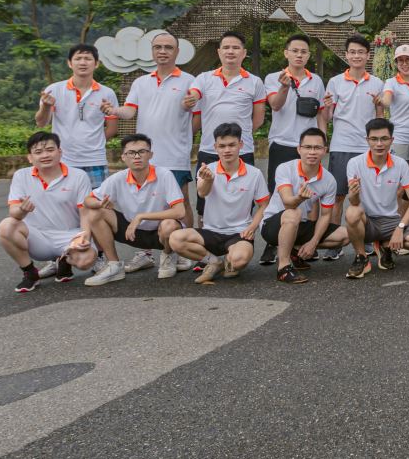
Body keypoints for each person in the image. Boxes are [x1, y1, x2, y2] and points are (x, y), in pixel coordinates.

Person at [114, 32, 197, 234]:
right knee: (147, 203)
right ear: (152, 51)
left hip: (175, 156)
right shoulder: (141, 82)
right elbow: (129, 111)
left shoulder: (189, 81)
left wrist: (184, 135)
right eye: (158, 47)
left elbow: (197, 115)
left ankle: (186, 242)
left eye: (168, 47)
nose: (162, 51)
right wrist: (114, 110)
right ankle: (148, 248)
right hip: (145, 156)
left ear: (177, 52)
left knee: (182, 201)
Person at [168, 122, 270, 285]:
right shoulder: (207, 170)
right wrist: (208, 180)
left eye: (232, 145)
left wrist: (251, 228)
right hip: (211, 231)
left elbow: (264, 205)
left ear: (240, 145)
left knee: (239, 260)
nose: (227, 150)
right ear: (215, 147)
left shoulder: (254, 174)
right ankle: (214, 262)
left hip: (239, 233)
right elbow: (202, 193)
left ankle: (230, 260)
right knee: (175, 239)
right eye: (222, 146)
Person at [0, 131, 100, 293]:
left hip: (69, 235)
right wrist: (22, 210)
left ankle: (65, 259)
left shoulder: (78, 176)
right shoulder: (21, 176)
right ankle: (30, 272)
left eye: (50, 150)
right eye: (38, 152)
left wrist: (84, 237)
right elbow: (14, 213)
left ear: (60, 152)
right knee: (6, 226)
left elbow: (85, 212)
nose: (45, 155)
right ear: (30, 157)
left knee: (85, 260)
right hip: (38, 237)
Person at [185, 31, 267, 221]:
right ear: (219, 51)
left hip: (242, 150)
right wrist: (191, 98)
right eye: (226, 47)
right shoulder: (204, 78)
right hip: (209, 149)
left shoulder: (254, 82)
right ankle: (205, 237)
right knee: (204, 203)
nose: (231, 51)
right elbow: (194, 94)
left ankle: (243, 235)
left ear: (244, 53)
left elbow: (258, 119)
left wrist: (236, 139)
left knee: (243, 200)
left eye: (236, 48)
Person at [83, 134, 186, 282]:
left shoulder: (164, 175)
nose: (137, 156)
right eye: (131, 153)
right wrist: (100, 204)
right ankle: (114, 265)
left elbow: (180, 211)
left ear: (151, 154)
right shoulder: (118, 178)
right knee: (95, 212)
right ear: (123, 157)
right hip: (131, 232)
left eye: (142, 151)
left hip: (160, 233)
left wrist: (140, 216)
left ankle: (168, 255)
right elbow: (88, 200)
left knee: (169, 224)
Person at [342, 117, 409, 279]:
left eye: (384, 139)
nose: (379, 144)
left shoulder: (400, 164)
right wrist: (353, 194)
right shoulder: (355, 163)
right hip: (368, 221)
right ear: (367, 140)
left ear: (392, 140)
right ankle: (361, 257)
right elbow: (354, 202)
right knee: (352, 212)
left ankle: (385, 246)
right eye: (374, 139)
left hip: (392, 220)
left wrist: (400, 227)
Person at [260, 126, 346, 283]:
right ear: (299, 149)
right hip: (273, 225)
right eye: (307, 147)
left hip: (300, 224)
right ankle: (284, 267)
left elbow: (325, 216)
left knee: (345, 235)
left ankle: (295, 250)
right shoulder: (285, 168)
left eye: (317, 148)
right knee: (293, 213)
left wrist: (313, 243)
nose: (312, 152)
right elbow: (288, 202)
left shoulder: (329, 180)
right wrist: (299, 198)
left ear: (325, 150)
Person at [36, 43, 118, 182]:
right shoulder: (54, 90)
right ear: (69, 63)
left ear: (96, 64)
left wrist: (93, 142)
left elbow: (112, 128)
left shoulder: (107, 93)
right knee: (62, 196)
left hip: (95, 160)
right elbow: (41, 123)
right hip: (62, 160)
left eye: (88, 58)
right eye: (78, 58)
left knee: (96, 196)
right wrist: (46, 106)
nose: (83, 62)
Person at [322, 34, 385, 209]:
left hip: (367, 147)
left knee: (368, 196)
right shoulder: (335, 82)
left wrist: (379, 143)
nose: (356, 56)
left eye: (361, 52)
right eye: (352, 52)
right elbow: (327, 117)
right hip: (341, 145)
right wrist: (327, 106)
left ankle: (365, 228)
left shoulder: (377, 83)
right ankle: (334, 227)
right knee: (338, 196)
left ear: (368, 55)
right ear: (346, 55)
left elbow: (380, 117)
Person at [263, 33, 327, 181]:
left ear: (308, 55)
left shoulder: (316, 80)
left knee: (311, 186)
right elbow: (275, 105)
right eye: (295, 51)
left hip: (309, 145)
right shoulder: (273, 78)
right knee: (278, 187)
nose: (299, 55)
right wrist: (284, 87)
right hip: (281, 142)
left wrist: (322, 140)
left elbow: (320, 114)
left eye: (303, 52)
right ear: (286, 53)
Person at [381, 44, 409, 184]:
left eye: (408, 59)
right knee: (397, 184)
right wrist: (381, 101)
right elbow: (387, 100)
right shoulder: (391, 83)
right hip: (400, 139)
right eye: (400, 60)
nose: (404, 64)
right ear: (396, 63)